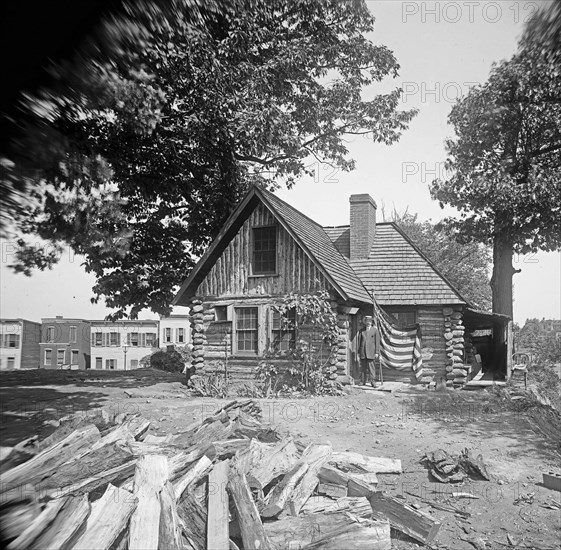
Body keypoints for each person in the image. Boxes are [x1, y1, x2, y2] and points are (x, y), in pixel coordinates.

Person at [358, 315, 381, 387]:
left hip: (371, 352)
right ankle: (363, 381)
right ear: (365, 322)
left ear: (372, 322)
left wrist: (377, 352)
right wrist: (359, 352)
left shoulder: (375, 330)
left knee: (371, 368)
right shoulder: (362, 331)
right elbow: (359, 342)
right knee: (363, 368)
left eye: (370, 321)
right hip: (363, 352)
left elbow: (377, 342)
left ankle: (373, 382)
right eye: (367, 321)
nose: (368, 323)